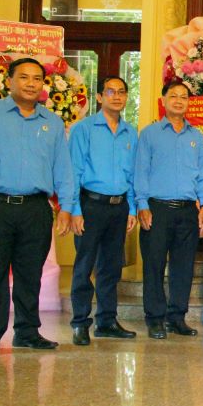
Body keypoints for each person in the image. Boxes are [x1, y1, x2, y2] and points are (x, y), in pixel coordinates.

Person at [0, 57, 74, 357]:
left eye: (37, 78)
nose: (31, 83)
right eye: (24, 77)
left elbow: (63, 168)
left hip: (36, 209)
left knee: (29, 273)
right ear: (10, 80)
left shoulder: (52, 122)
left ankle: (27, 332)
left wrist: (66, 207)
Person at [135, 81, 203, 340]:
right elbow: (140, 171)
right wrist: (142, 205)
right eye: (173, 96)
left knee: (183, 266)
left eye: (184, 97)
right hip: (157, 209)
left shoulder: (196, 136)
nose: (179, 100)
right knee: (154, 265)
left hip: (188, 210)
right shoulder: (150, 134)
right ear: (163, 100)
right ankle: (155, 318)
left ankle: (177, 317)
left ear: (189, 102)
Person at [68, 76, 138, 346]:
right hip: (90, 205)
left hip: (118, 207)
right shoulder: (83, 129)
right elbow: (73, 171)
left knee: (111, 267)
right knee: (84, 265)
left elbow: (131, 175)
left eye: (122, 92)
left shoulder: (130, 132)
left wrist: (131, 207)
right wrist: (74, 209)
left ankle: (106, 321)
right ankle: (80, 322)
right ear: (100, 97)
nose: (117, 96)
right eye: (111, 91)